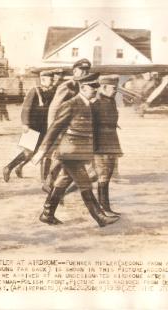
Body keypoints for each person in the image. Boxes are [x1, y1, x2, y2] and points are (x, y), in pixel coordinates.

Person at [32, 73, 119, 227]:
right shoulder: (71, 104)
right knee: (85, 184)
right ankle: (99, 217)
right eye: (93, 87)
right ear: (83, 87)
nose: (96, 90)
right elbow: (55, 128)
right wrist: (42, 150)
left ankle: (47, 213)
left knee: (63, 180)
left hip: (80, 151)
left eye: (96, 86)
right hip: (69, 152)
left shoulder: (90, 104)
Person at [43, 59, 92, 193]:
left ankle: (54, 184)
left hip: (77, 129)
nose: (85, 73)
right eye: (82, 70)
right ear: (74, 71)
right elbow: (54, 108)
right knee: (62, 156)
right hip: (64, 128)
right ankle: (50, 182)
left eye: (87, 70)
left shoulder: (86, 86)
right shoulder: (68, 86)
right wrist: (53, 129)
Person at [3, 70, 55, 182]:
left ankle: (39, 176)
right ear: (43, 79)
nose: (53, 81)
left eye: (53, 79)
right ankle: (9, 167)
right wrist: (25, 124)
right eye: (51, 79)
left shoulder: (52, 92)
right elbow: (26, 108)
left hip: (45, 126)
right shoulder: (35, 91)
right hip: (33, 125)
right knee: (29, 151)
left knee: (42, 151)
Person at [91, 76, 123, 217]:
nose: (116, 91)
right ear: (103, 87)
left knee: (107, 174)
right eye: (114, 88)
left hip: (111, 142)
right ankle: (104, 207)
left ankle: (105, 206)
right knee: (103, 175)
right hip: (101, 144)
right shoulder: (96, 103)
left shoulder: (111, 101)